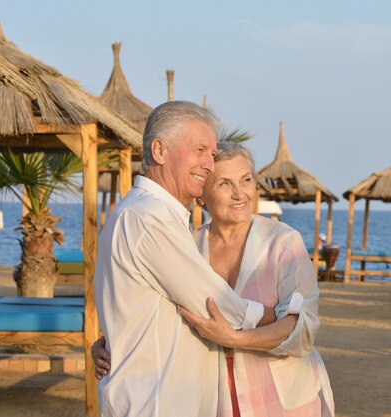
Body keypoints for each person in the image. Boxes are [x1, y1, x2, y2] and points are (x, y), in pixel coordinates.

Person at [94, 142, 334, 416]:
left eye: (246, 180)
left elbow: (302, 328)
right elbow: (152, 309)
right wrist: (111, 343)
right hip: (214, 400)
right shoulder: (187, 246)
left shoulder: (283, 242)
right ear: (201, 196)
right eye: (224, 184)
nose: (239, 193)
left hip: (283, 401)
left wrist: (233, 338)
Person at [94, 101, 274, 417]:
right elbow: (220, 309)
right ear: (160, 151)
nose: (209, 164)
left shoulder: (150, 215)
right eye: (200, 150)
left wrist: (111, 340)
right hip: (155, 403)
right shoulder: (149, 219)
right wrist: (288, 314)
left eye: (212, 154)